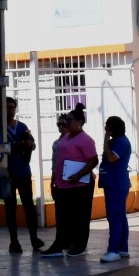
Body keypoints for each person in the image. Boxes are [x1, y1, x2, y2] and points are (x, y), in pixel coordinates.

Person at [41, 105, 98, 258]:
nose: (67, 122)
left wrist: (79, 175)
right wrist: (54, 179)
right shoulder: (65, 137)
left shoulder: (85, 140)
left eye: (70, 119)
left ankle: (79, 246)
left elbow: (93, 160)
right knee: (62, 216)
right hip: (63, 184)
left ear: (79, 122)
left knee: (80, 216)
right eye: (66, 119)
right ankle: (58, 245)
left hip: (80, 185)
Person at [1, 96, 44, 254]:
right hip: (7, 174)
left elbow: (32, 144)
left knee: (29, 207)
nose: (10, 111)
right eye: (7, 107)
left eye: (12, 107)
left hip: (24, 172)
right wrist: (16, 145)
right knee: (10, 208)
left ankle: (34, 238)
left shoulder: (22, 126)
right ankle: (14, 241)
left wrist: (30, 144)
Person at [99, 115, 133, 262]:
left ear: (112, 128)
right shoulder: (117, 141)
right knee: (120, 216)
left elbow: (111, 158)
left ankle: (113, 250)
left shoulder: (120, 142)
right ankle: (122, 248)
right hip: (113, 183)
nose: (105, 128)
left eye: (107, 126)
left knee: (114, 217)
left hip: (116, 184)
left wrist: (106, 139)